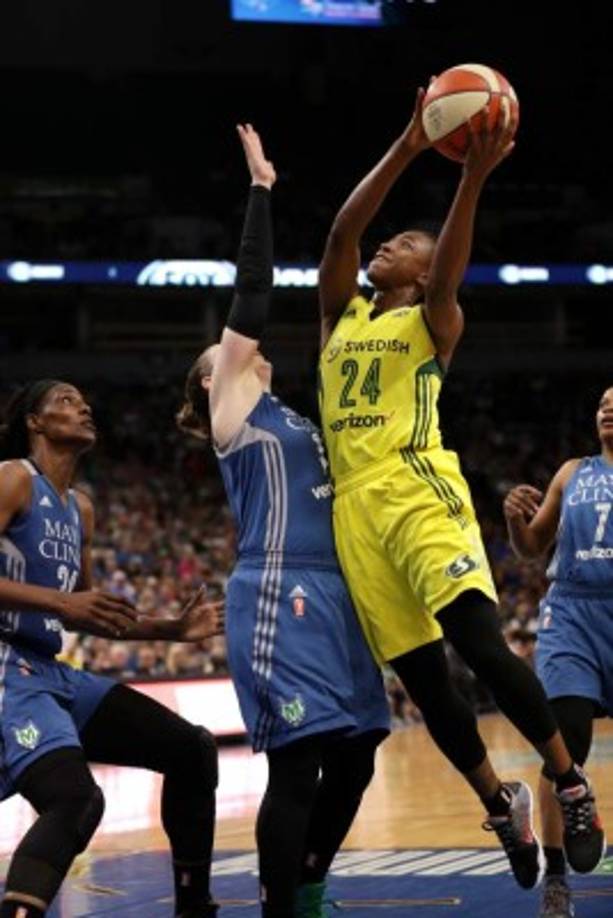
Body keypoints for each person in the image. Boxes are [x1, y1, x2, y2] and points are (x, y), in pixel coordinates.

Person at [316, 85, 605, 890]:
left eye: (404, 243)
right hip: (354, 509)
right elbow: (342, 230)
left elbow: (445, 271)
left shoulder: (432, 318)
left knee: (478, 645)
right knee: (423, 679)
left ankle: (567, 782)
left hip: (415, 486)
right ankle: (496, 800)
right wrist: (409, 142)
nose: (387, 246)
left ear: (421, 270)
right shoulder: (339, 317)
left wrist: (471, 176)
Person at [177, 124, 390, 918]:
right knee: (298, 765)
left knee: (362, 751)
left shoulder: (295, 418)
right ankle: (283, 907)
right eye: (219, 354)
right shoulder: (233, 409)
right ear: (208, 386)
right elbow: (254, 294)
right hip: (277, 589)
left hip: (339, 592)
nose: (232, 350)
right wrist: (262, 189)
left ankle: (306, 881)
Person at [0, 380, 224, 918]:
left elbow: (90, 611)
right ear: (35, 421)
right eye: (66, 401)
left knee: (192, 750)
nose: (84, 407)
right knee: (76, 799)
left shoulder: (81, 509)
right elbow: (69, 605)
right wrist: (62, 603)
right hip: (6, 665)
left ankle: (195, 908)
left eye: (84, 401)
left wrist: (171, 630)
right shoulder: (12, 480)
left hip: (48, 669)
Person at [504, 385, 612, 917]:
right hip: (572, 612)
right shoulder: (573, 472)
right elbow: (530, 548)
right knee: (565, 741)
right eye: (602, 403)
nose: (608, 408)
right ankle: (557, 881)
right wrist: (512, 519)